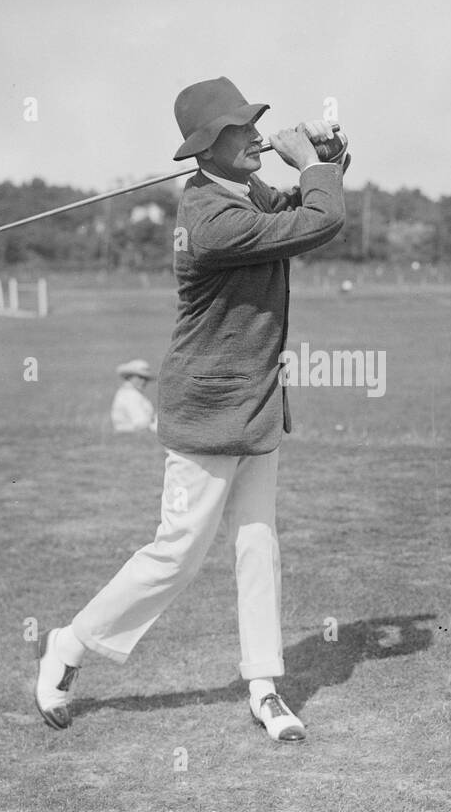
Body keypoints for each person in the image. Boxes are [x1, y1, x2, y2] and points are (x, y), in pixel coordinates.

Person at [34, 76, 349, 742]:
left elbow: (298, 200)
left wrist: (329, 158)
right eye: (241, 129)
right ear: (208, 146)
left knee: (258, 544)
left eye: (255, 124)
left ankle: (264, 685)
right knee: (176, 554)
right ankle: (69, 641)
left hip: (255, 403)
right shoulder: (211, 218)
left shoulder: (241, 191)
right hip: (208, 407)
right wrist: (315, 169)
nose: (256, 135)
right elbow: (320, 218)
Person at [111, 359, 159, 433]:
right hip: (132, 431)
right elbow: (141, 423)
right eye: (140, 377)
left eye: (146, 379)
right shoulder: (130, 395)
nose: (143, 381)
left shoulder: (129, 393)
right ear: (130, 377)